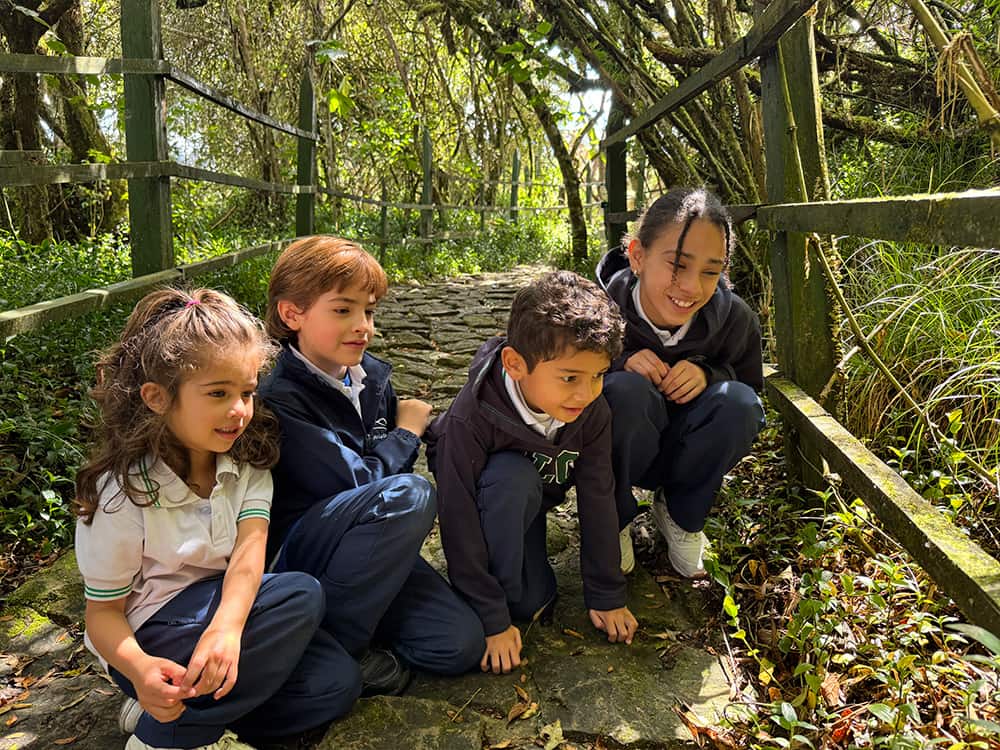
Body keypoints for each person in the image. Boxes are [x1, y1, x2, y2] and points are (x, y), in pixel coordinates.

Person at [75, 288, 356, 750]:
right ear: (158, 397)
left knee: (336, 683)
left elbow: (249, 555)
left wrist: (226, 629)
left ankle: (173, 708)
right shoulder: (122, 493)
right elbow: (103, 614)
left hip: (228, 617)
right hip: (151, 639)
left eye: (247, 392)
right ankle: (161, 732)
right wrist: (141, 670)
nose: (239, 410)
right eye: (218, 393)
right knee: (299, 594)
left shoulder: (246, 466)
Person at [259, 236, 485, 691]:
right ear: (292, 314)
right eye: (343, 310)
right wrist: (406, 433)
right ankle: (332, 649)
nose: (363, 326)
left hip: (369, 552)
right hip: (304, 552)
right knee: (410, 495)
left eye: (369, 311)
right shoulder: (280, 398)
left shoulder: (372, 378)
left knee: (458, 643)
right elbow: (358, 483)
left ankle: (342, 625)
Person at [424, 270, 639, 675]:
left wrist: (606, 592)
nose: (586, 393)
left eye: (598, 376)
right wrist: (491, 617)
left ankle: (516, 569)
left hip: (530, 502)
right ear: (515, 364)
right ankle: (485, 596)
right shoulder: (470, 419)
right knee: (512, 478)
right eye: (570, 378)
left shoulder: (591, 411)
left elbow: (598, 496)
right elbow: (457, 514)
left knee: (533, 600)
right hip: (489, 500)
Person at [595, 187, 766, 579]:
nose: (691, 287)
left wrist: (710, 374)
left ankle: (680, 514)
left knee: (738, 404)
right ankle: (612, 517)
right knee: (624, 391)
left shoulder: (736, 319)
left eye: (710, 271)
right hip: (620, 447)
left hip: (688, 449)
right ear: (637, 256)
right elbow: (562, 380)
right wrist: (619, 361)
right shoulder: (598, 310)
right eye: (678, 265)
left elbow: (750, 388)